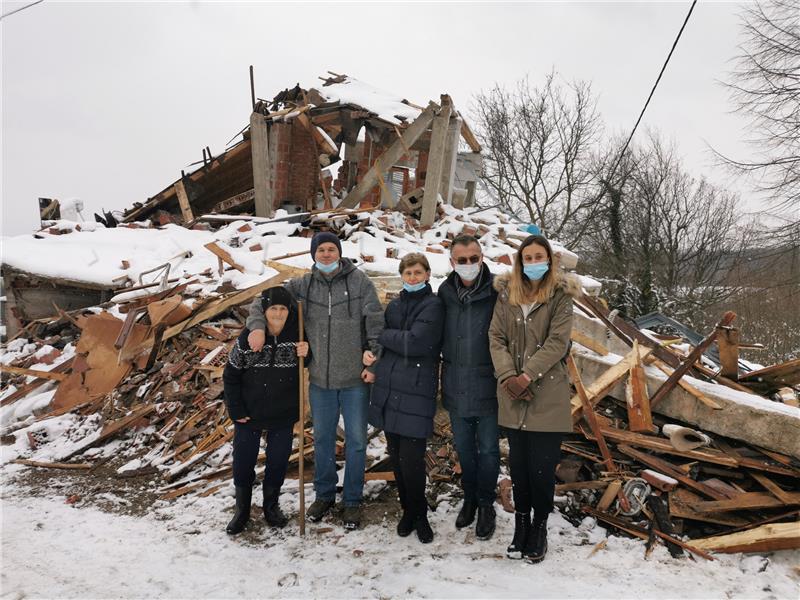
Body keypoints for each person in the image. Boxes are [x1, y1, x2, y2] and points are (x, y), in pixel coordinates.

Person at [245, 232, 383, 530]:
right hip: (320, 380)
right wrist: (257, 327)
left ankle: (353, 501)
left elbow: (375, 320)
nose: (327, 255)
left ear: (340, 253)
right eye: (321, 250)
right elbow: (264, 301)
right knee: (322, 440)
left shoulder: (359, 282)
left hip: (354, 380)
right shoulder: (302, 286)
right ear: (313, 254)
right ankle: (324, 495)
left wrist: (374, 356)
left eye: (332, 250)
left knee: (357, 442)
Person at [488, 234, 580, 563]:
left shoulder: (559, 296)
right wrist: (507, 377)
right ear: (520, 261)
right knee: (520, 467)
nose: (533, 262)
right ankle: (520, 525)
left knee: (541, 471)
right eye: (528, 257)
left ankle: (539, 528)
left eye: (539, 256)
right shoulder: (506, 296)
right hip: (513, 395)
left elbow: (558, 343)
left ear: (549, 260)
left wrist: (525, 375)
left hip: (547, 394)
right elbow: (496, 337)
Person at [368, 253, 444, 543]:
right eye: (408, 273)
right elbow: (386, 341)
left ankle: (421, 513)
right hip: (388, 387)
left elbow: (417, 343)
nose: (412, 277)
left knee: (413, 460)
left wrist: (387, 335)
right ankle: (407, 510)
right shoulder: (396, 305)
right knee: (397, 458)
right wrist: (388, 340)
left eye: (417, 272)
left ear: (427, 274)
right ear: (402, 276)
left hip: (415, 389)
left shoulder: (434, 305)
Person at [223, 286, 309, 535]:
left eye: (283, 309)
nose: (278, 313)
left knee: (278, 461)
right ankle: (242, 510)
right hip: (249, 411)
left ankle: (271, 506)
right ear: (265, 310)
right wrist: (236, 408)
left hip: (282, 411)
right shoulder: (248, 338)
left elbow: (309, 361)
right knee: (243, 461)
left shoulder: (297, 332)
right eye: (273, 308)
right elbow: (231, 375)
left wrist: (308, 352)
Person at [437, 234, 500, 540]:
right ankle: (470, 499)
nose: (468, 264)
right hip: (456, 382)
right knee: (464, 448)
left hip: (487, 381)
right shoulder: (445, 292)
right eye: (461, 260)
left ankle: (487, 503)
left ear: (481, 258)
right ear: (452, 262)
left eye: (473, 258)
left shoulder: (497, 292)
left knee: (488, 450)